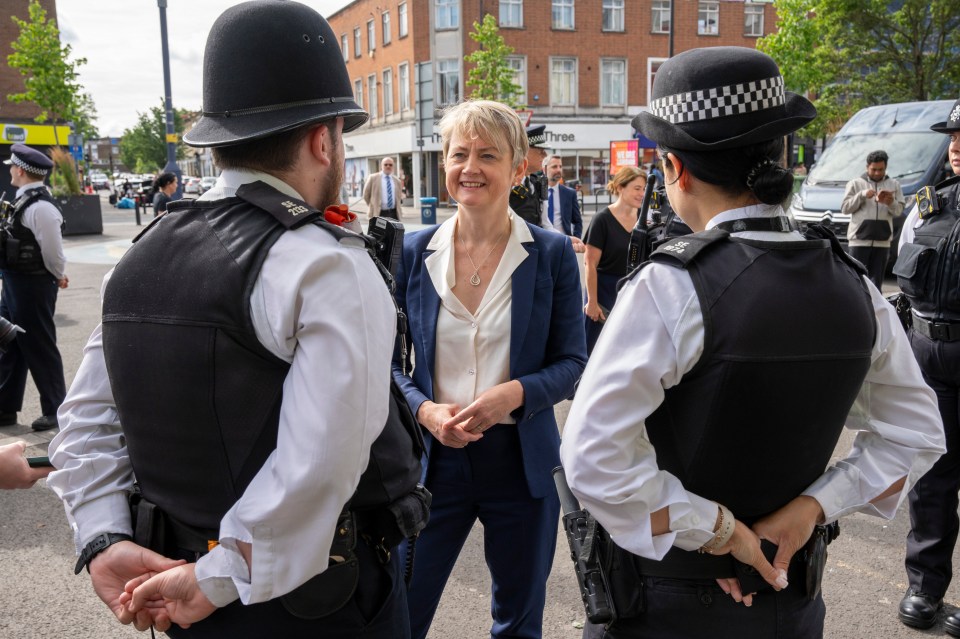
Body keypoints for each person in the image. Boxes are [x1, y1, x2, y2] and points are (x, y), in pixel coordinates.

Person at [47, 2, 425, 637]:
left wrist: (103, 538)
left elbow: (85, 424)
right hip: (315, 604)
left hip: (176, 592)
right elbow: (320, 467)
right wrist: (212, 579)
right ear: (321, 139)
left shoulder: (139, 259)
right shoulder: (324, 266)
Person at [560, 46, 945, 639]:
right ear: (778, 156)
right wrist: (811, 508)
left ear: (673, 169)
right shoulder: (855, 285)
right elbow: (918, 433)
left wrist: (723, 531)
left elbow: (592, 458)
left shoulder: (672, 285)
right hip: (788, 599)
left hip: (667, 600)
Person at [392, 99, 587, 639]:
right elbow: (388, 363)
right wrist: (425, 410)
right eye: (459, 154)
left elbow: (573, 361)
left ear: (518, 167)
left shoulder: (549, 255)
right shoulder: (411, 252)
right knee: (402, 612)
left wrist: (515, 395)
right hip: (435, 464)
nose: (470, 167)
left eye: (487, 155)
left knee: (519, 622)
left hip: (521, 465)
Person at [894, 96, 960, 636]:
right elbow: (904, 277)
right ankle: (925, 587)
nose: (956, 148)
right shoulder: (928, 205)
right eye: (954, 138)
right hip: (928, 352)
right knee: (932, 475)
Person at [1, 143, 69, 432]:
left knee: (39, 344)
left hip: (32, 285)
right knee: (9, 342)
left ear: (20, 170)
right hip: (15, 282)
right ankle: (4, 408)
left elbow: (53, 252)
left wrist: (58, 274)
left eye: (13, 168)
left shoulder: (41, 208)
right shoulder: (22, 202)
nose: (11, 172)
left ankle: (55, 409)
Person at [582, 166, 646, 354]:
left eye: (643, 189)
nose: (642, 193)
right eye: (637, 188)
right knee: (595, 350)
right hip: (603, 293)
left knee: (625, 350)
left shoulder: (644, 221)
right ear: (620, 187)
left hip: (632, 292)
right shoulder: (601, 220)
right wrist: (592, 302)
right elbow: (590, 264)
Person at [841, 149, 905, 289]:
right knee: (856, 281)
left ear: (886, 167)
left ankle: (876, 310)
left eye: (880, 169)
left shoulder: (894, 185)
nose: (877, 173)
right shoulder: (855, 184)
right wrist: (862, 195)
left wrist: (890, 202)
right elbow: (845, 208)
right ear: (867, 167)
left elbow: (899, 211)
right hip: (859, 241)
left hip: (882, 242)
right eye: (873, 169)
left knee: (877, 285)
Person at [509, 124, 550, 227]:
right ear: (524, 151)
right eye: (540, 150)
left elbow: (545, 224)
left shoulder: (537, 183)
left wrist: (563, 240)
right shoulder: (506, 182)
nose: (545, 155)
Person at [543, 154, 585, 252]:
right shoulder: (536, 192)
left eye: (560, 166)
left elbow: (577, 221)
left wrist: (575, 241)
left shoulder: (569, 193)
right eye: (554, 167)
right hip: (543, 244)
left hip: (564, 245)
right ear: (544, 169)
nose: (558, 170)